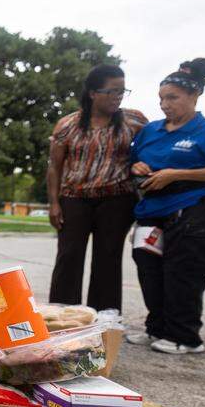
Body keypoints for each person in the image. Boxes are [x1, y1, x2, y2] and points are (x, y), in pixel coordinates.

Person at [127, 58, 205, 354]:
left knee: (183, 276)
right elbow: (132, 161)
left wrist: (177, 174)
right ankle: (157, 329)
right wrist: (137, 166)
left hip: (195, 213)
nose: (165, 104)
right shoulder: (151, 131)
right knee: (151, 273)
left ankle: (186, 337)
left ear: (194, 96)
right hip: (152, 214)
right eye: (162, 98)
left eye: (173, 98)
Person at [47, 65, 147, 312]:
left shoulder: (133, 121)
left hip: (117, 201)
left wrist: (145, 163)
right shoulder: (67, 125)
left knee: (108, 259)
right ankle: (63, 315)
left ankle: (105, 318)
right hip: (74, 199)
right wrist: (54, 203)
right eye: (112, 91)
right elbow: (54, 166)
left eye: (122, 91)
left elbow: (156, 145)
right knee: (68, 257)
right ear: (92, 93)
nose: (118, 97)